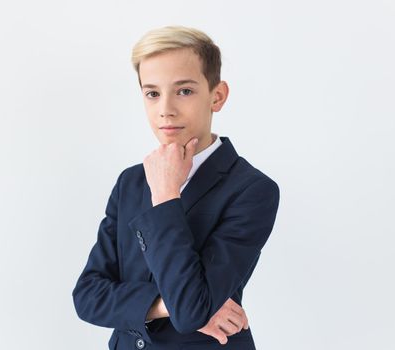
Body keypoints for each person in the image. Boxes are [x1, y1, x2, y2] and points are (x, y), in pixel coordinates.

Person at [72, 25, 280, 350]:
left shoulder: (252, 190)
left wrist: (166, 195)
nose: (165, 108)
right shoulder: (130, 182)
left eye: (184, 91)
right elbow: (86, 296)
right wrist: (160, 304)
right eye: (152, 93)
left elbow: (190, 311)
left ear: (217, 95)